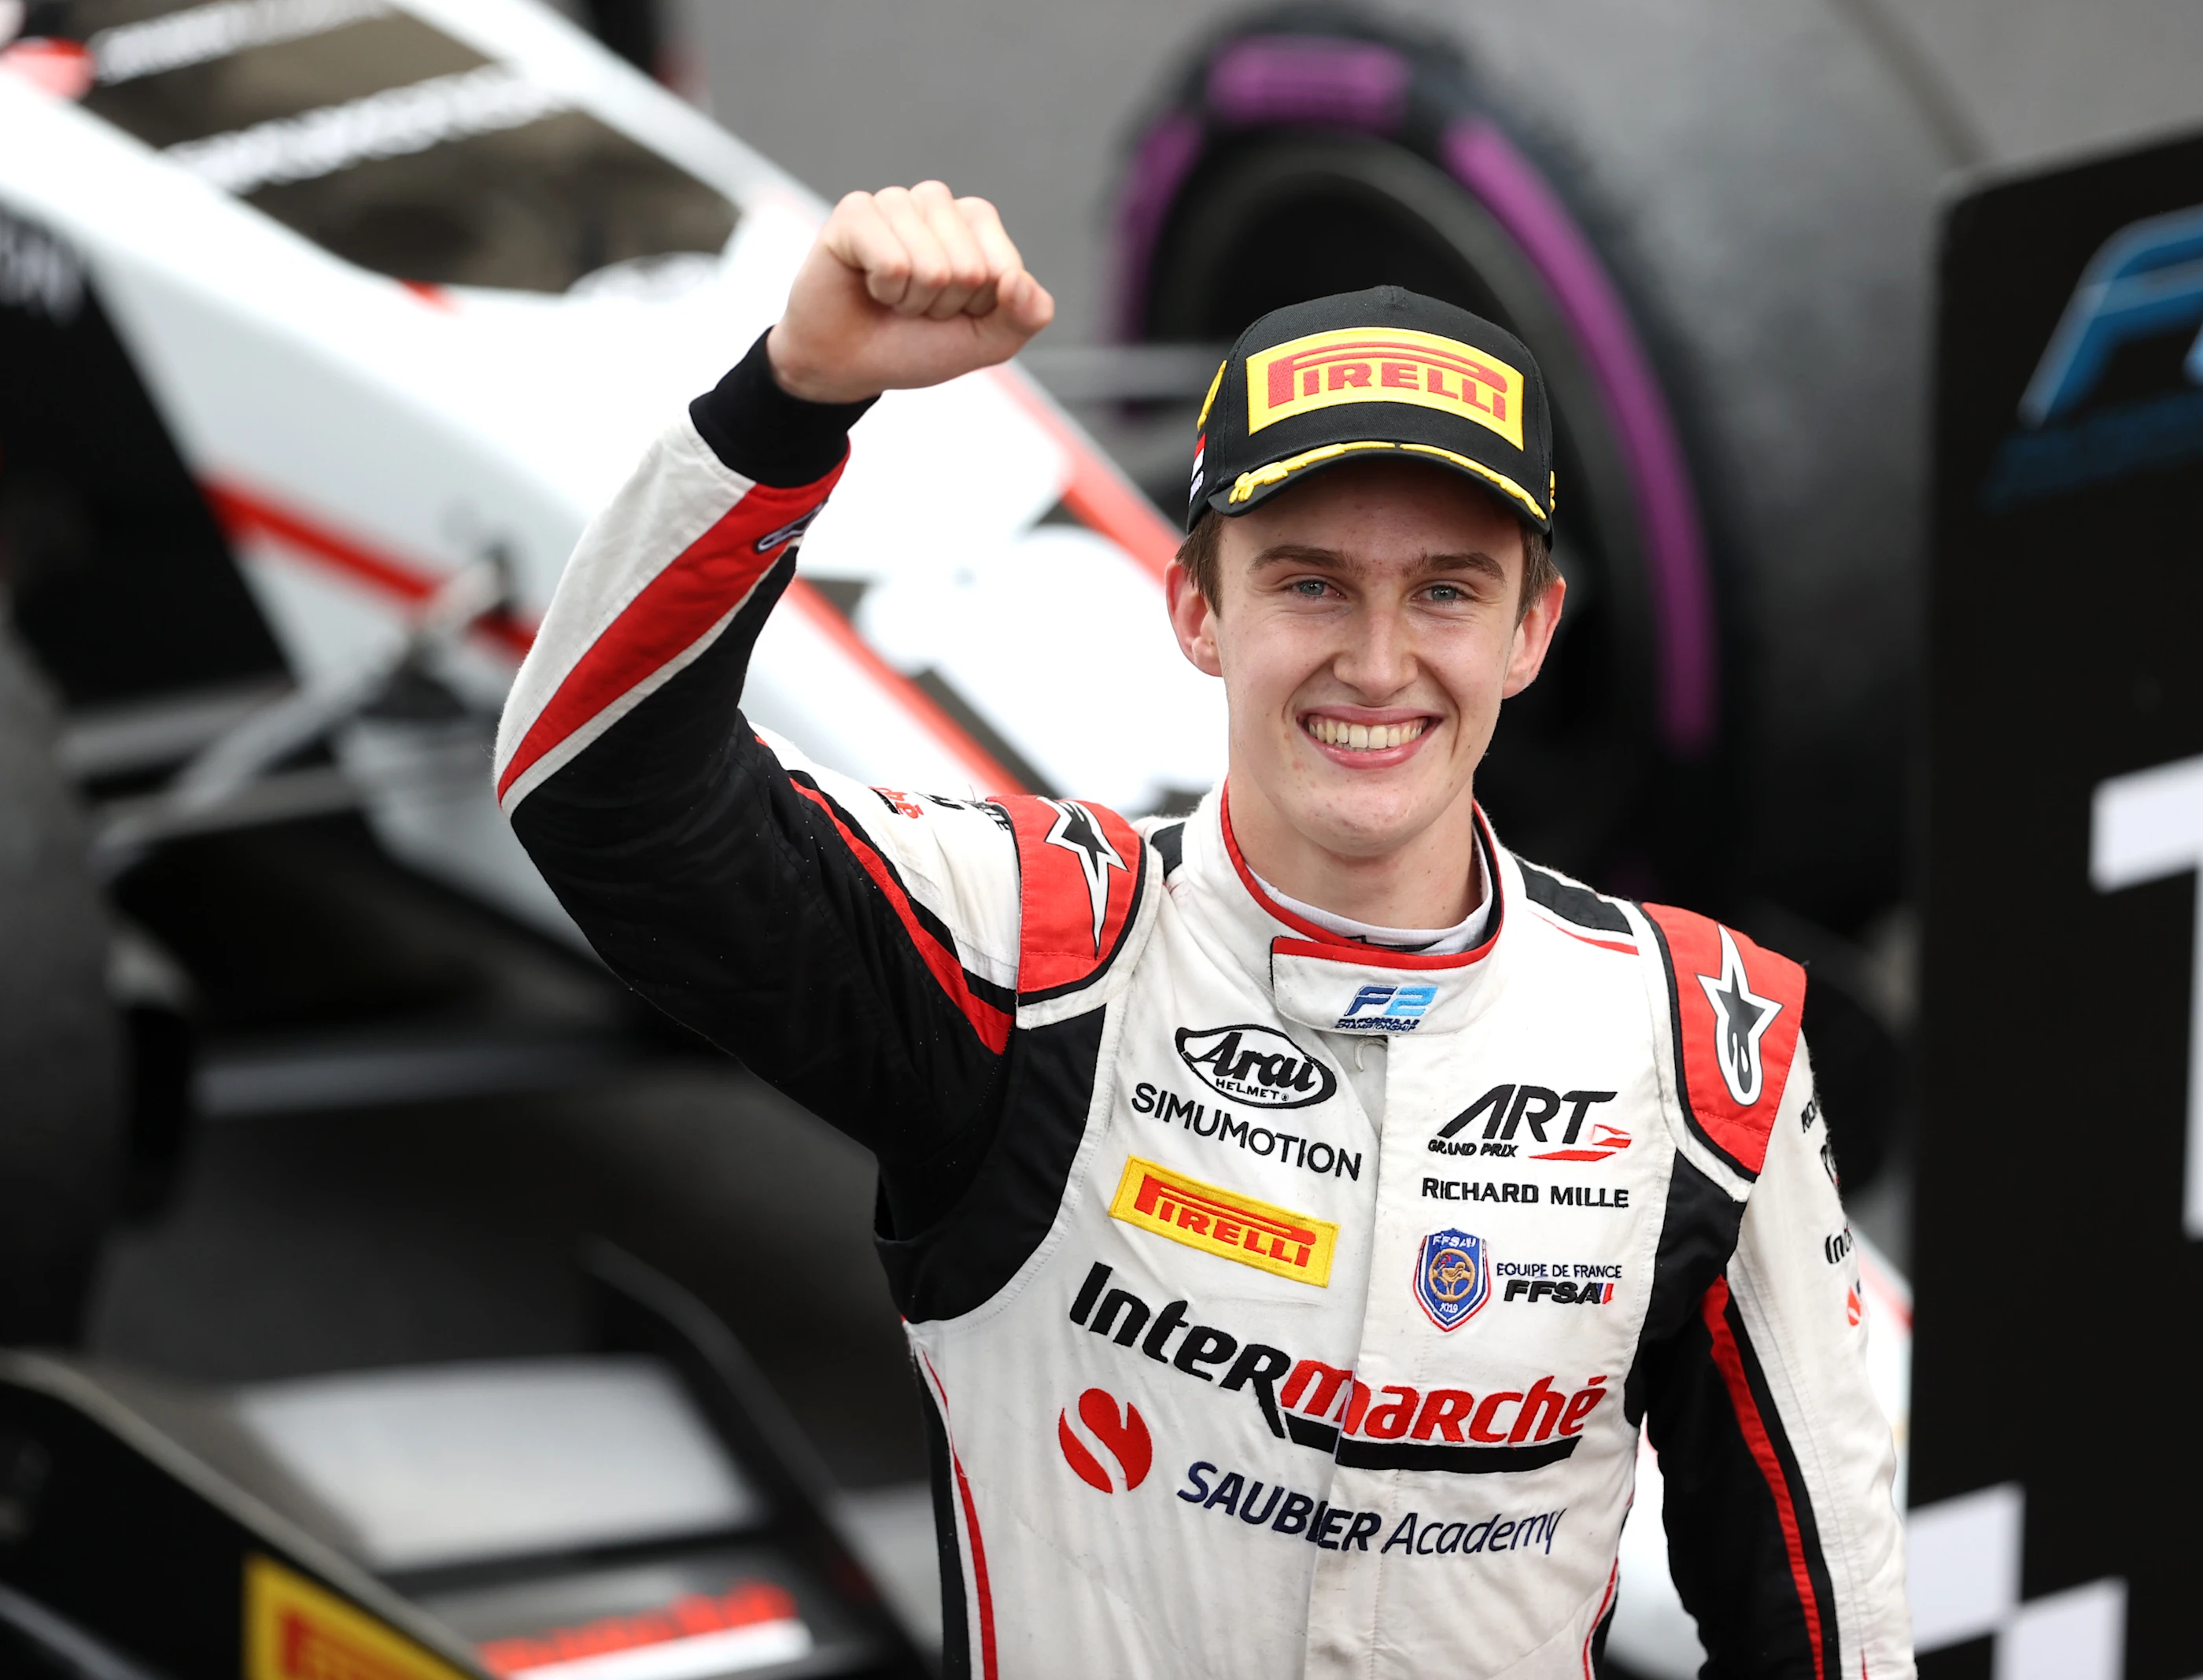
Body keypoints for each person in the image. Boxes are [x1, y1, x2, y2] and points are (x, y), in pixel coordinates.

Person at [496, 180, 1910, 1679]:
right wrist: (794, 398)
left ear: (1532, 629)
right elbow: (598, 792)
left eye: (1446, 589)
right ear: (1197, 609)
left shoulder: (1705, 1049)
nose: (1378, 662)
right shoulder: (1030, 958)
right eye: (1310, 583)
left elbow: (1826, 1623)